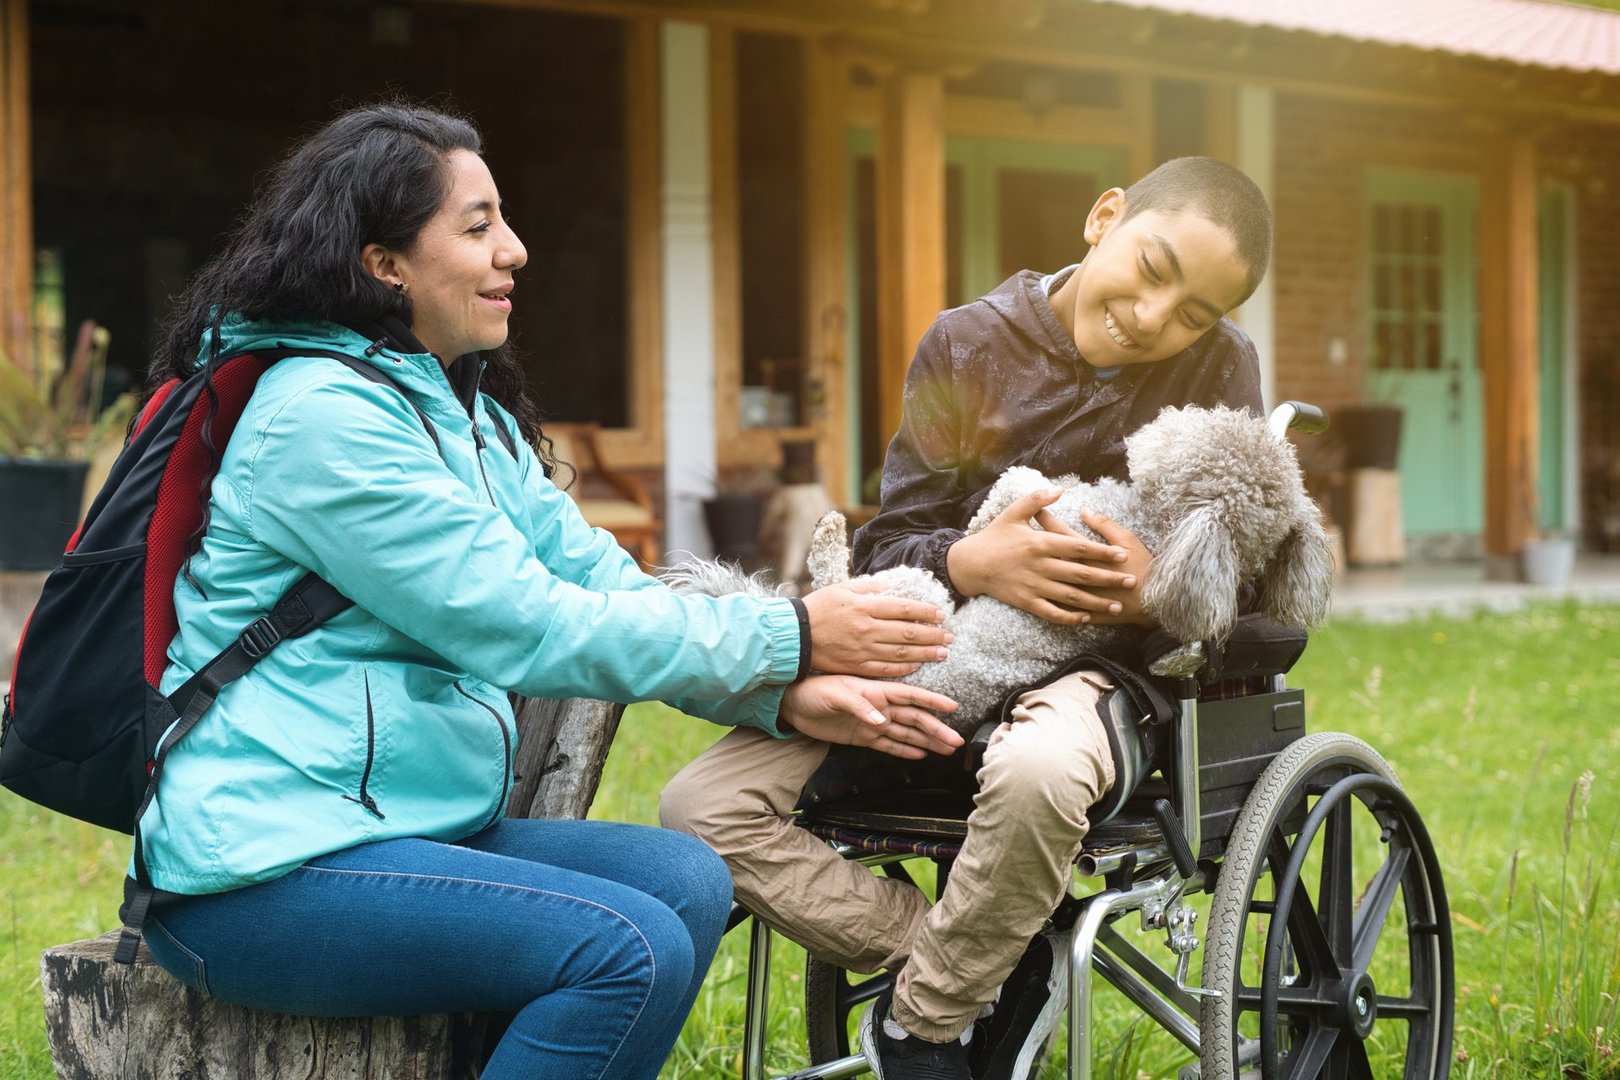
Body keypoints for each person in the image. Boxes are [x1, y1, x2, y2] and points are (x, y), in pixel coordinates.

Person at [129, 100, 966, 1080]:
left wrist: (776, 691)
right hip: (263, 870)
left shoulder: (456, 411)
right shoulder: (321, 421)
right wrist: (791, 635)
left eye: (504, 221)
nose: (514, 250)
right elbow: (526, 624)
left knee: (688, 878)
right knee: (627, 950)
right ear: (382, 263)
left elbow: (598, 579)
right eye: (477, 226)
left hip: (402, 826)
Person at [661, 156, 1271, 1079]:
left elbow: (1250, 572)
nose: (1155, 318)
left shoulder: (1223, 370)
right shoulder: (968, 344)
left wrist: (1161, 589)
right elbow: (892, 537)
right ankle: (984, 951)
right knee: (700, 808)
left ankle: (930, 1015)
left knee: (1035, 773)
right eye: (1152, 270)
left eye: (1193, 312)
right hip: (938, 646)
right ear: (1103, 217)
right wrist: (967, 559)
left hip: (1098, 678)